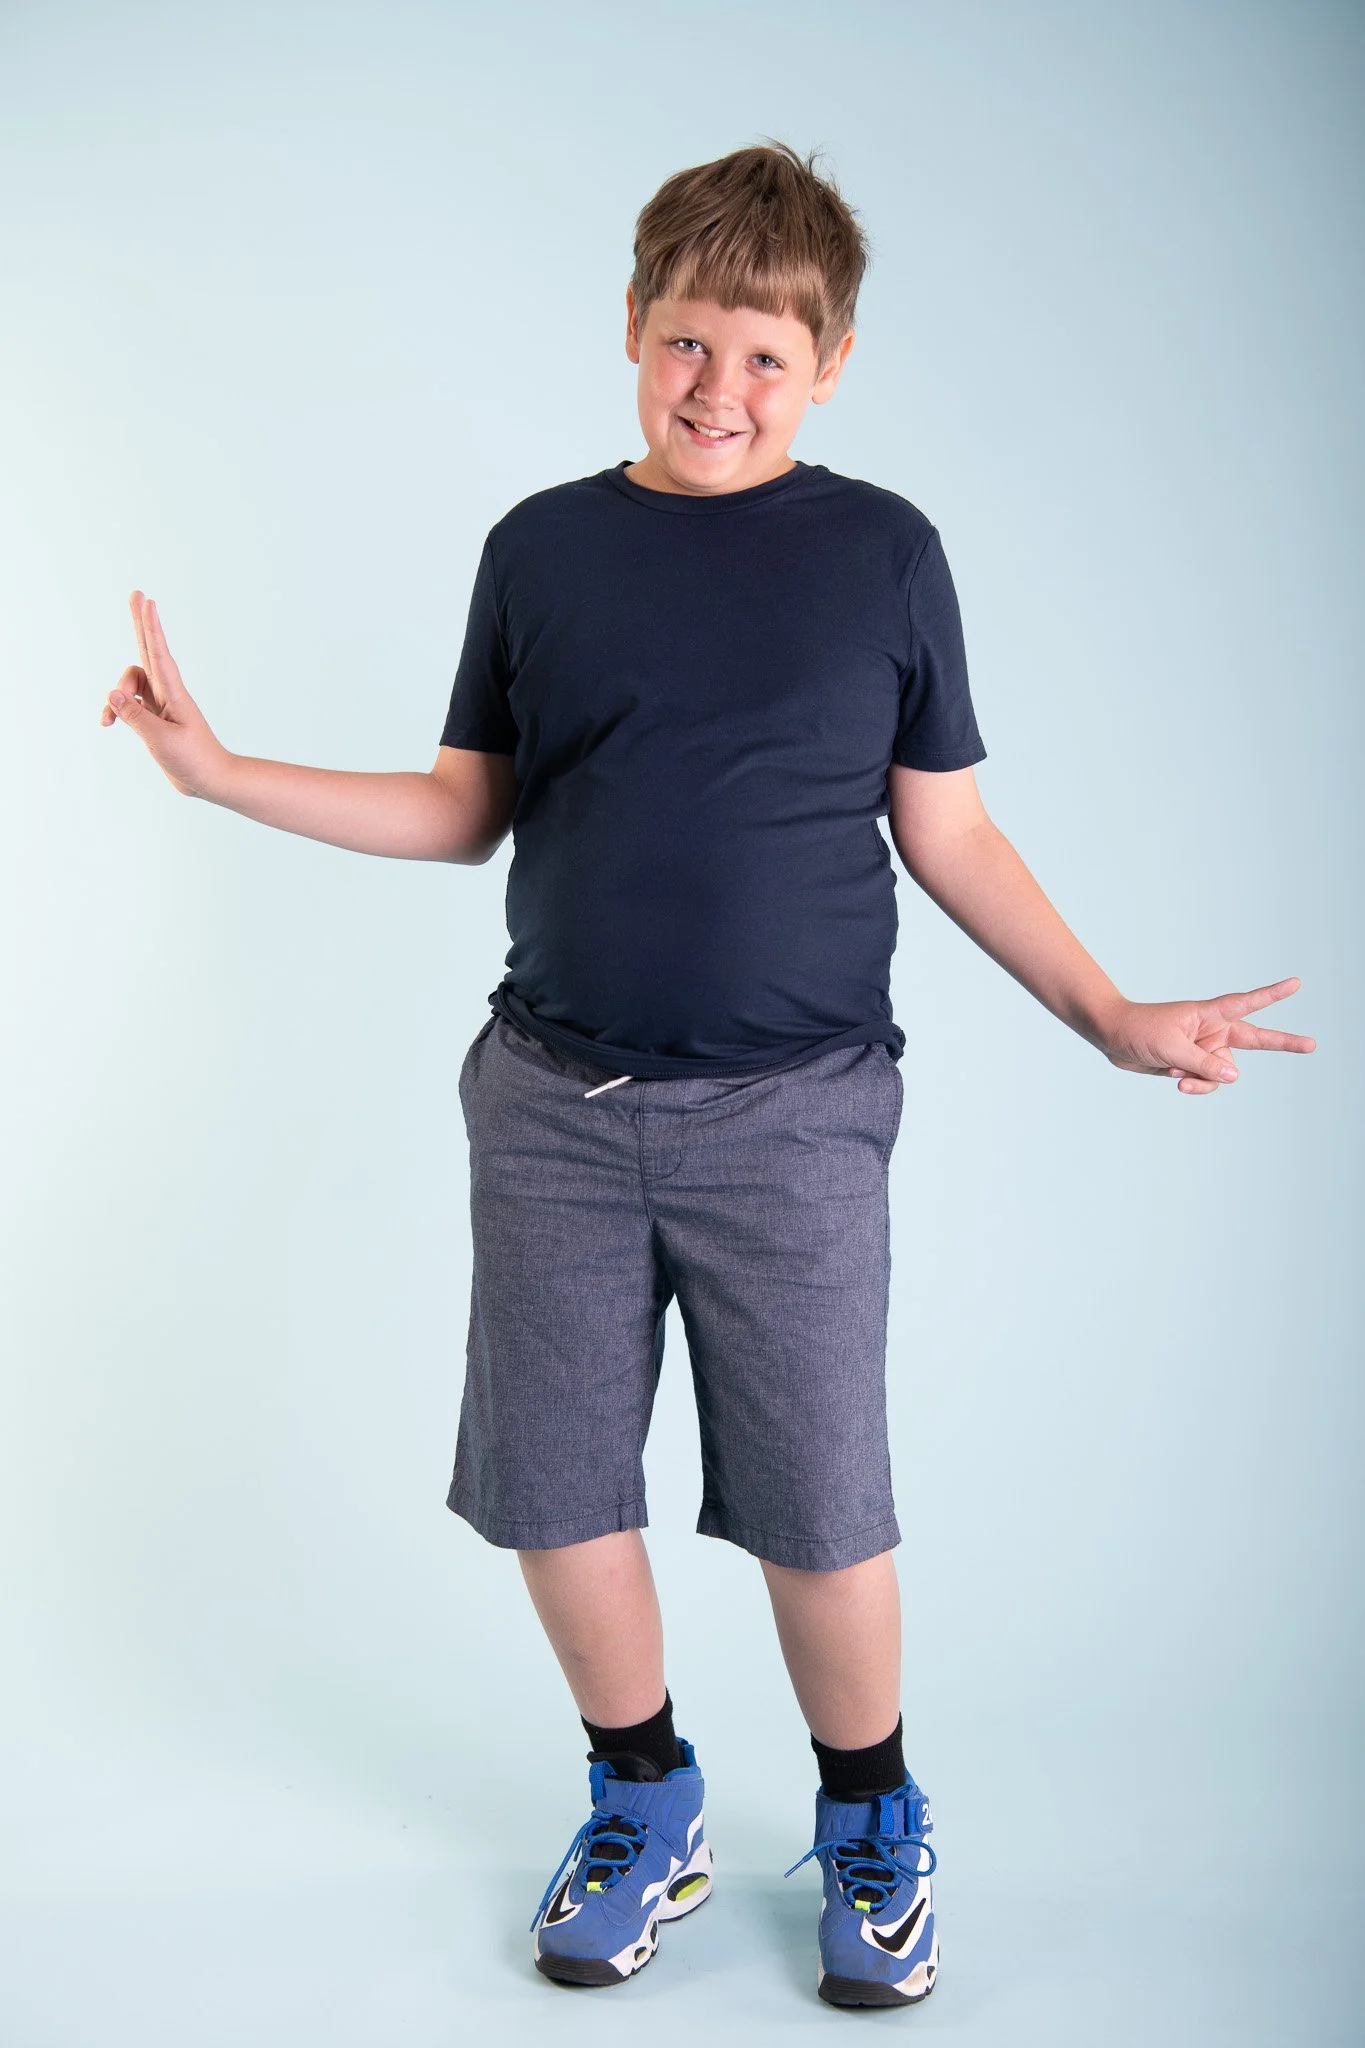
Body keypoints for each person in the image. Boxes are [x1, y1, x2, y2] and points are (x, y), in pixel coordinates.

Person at [100, 139, 1316, 2011]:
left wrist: (1118, 1015)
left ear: (828, 365)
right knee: (556, 1486)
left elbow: (957, 837)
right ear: (632, 332)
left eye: (763, 355)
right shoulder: (544, 549)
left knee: (821, 1499)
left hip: (799, 1117)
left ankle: (869, 1814)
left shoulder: (884, 556)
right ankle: (644, 1796)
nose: (718, 388)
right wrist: (225, 770)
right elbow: (460, 812)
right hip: (555, 1111)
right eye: (686, 342)